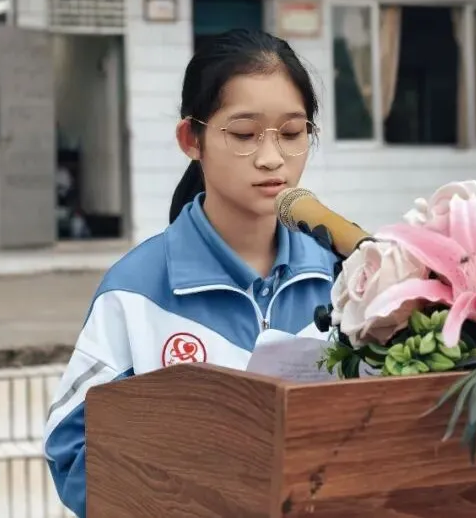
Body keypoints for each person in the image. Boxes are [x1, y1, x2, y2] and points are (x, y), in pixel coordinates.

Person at [43, 28, 337, 517]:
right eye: (243, 134)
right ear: (191, 139)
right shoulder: (135, 292)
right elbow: (73, 450)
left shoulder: (344, 278)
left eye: (291, 133)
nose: (272, 158)